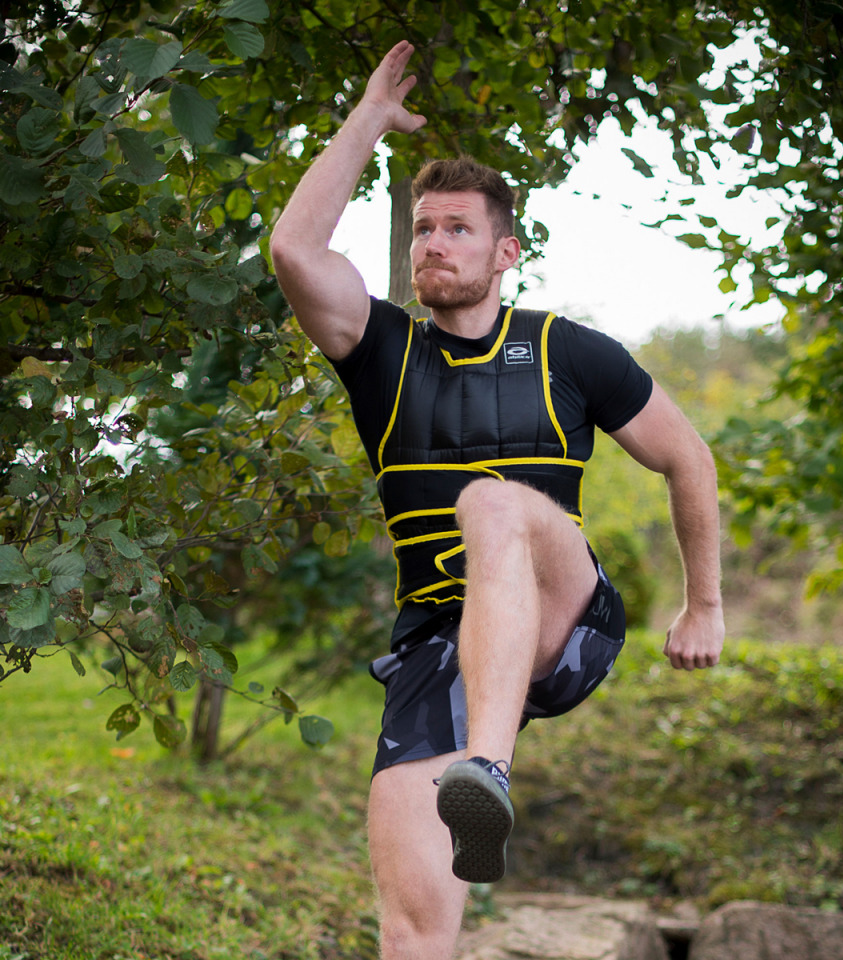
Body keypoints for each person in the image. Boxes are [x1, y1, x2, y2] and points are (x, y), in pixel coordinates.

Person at [270, 40, 724, 960]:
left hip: (567, 617)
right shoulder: (381, 350)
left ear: (506, 251)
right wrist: (370, 120)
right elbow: (292, 249)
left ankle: (487, 767)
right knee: (411, 929)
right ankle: (475, 780)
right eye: (422, 230)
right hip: (436, 641)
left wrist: (704, 603)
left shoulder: (570, 351)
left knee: (493, 506)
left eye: (458, 229)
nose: (434, 243)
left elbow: (688, 458)